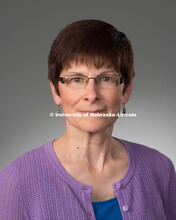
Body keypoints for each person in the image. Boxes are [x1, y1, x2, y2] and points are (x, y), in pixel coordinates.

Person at [0, 19, 176, 220]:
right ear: (56, 91)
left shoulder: (159, 169)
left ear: (126, 90)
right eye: (76, 79)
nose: (91, 94)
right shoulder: (17, 181)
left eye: (106, 79)